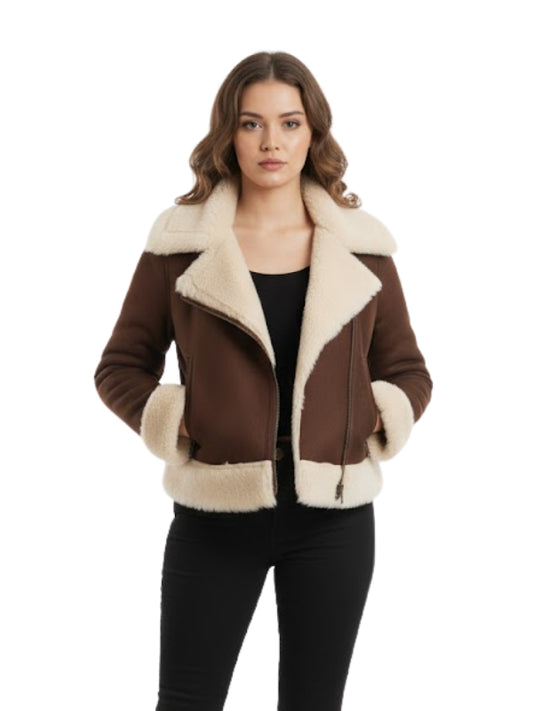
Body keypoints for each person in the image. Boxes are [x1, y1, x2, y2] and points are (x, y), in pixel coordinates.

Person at [94, 50, 432, 711]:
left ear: (312, 133)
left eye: (289, 122)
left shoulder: (362, 247)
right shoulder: (180, 244)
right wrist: (181, 420)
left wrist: (368, 416)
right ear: (229, 133)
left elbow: (407, 370)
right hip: (214, 512)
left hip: (333, 517)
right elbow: (120, 366)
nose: (271, 142)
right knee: (186, 701)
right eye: (252, 124)